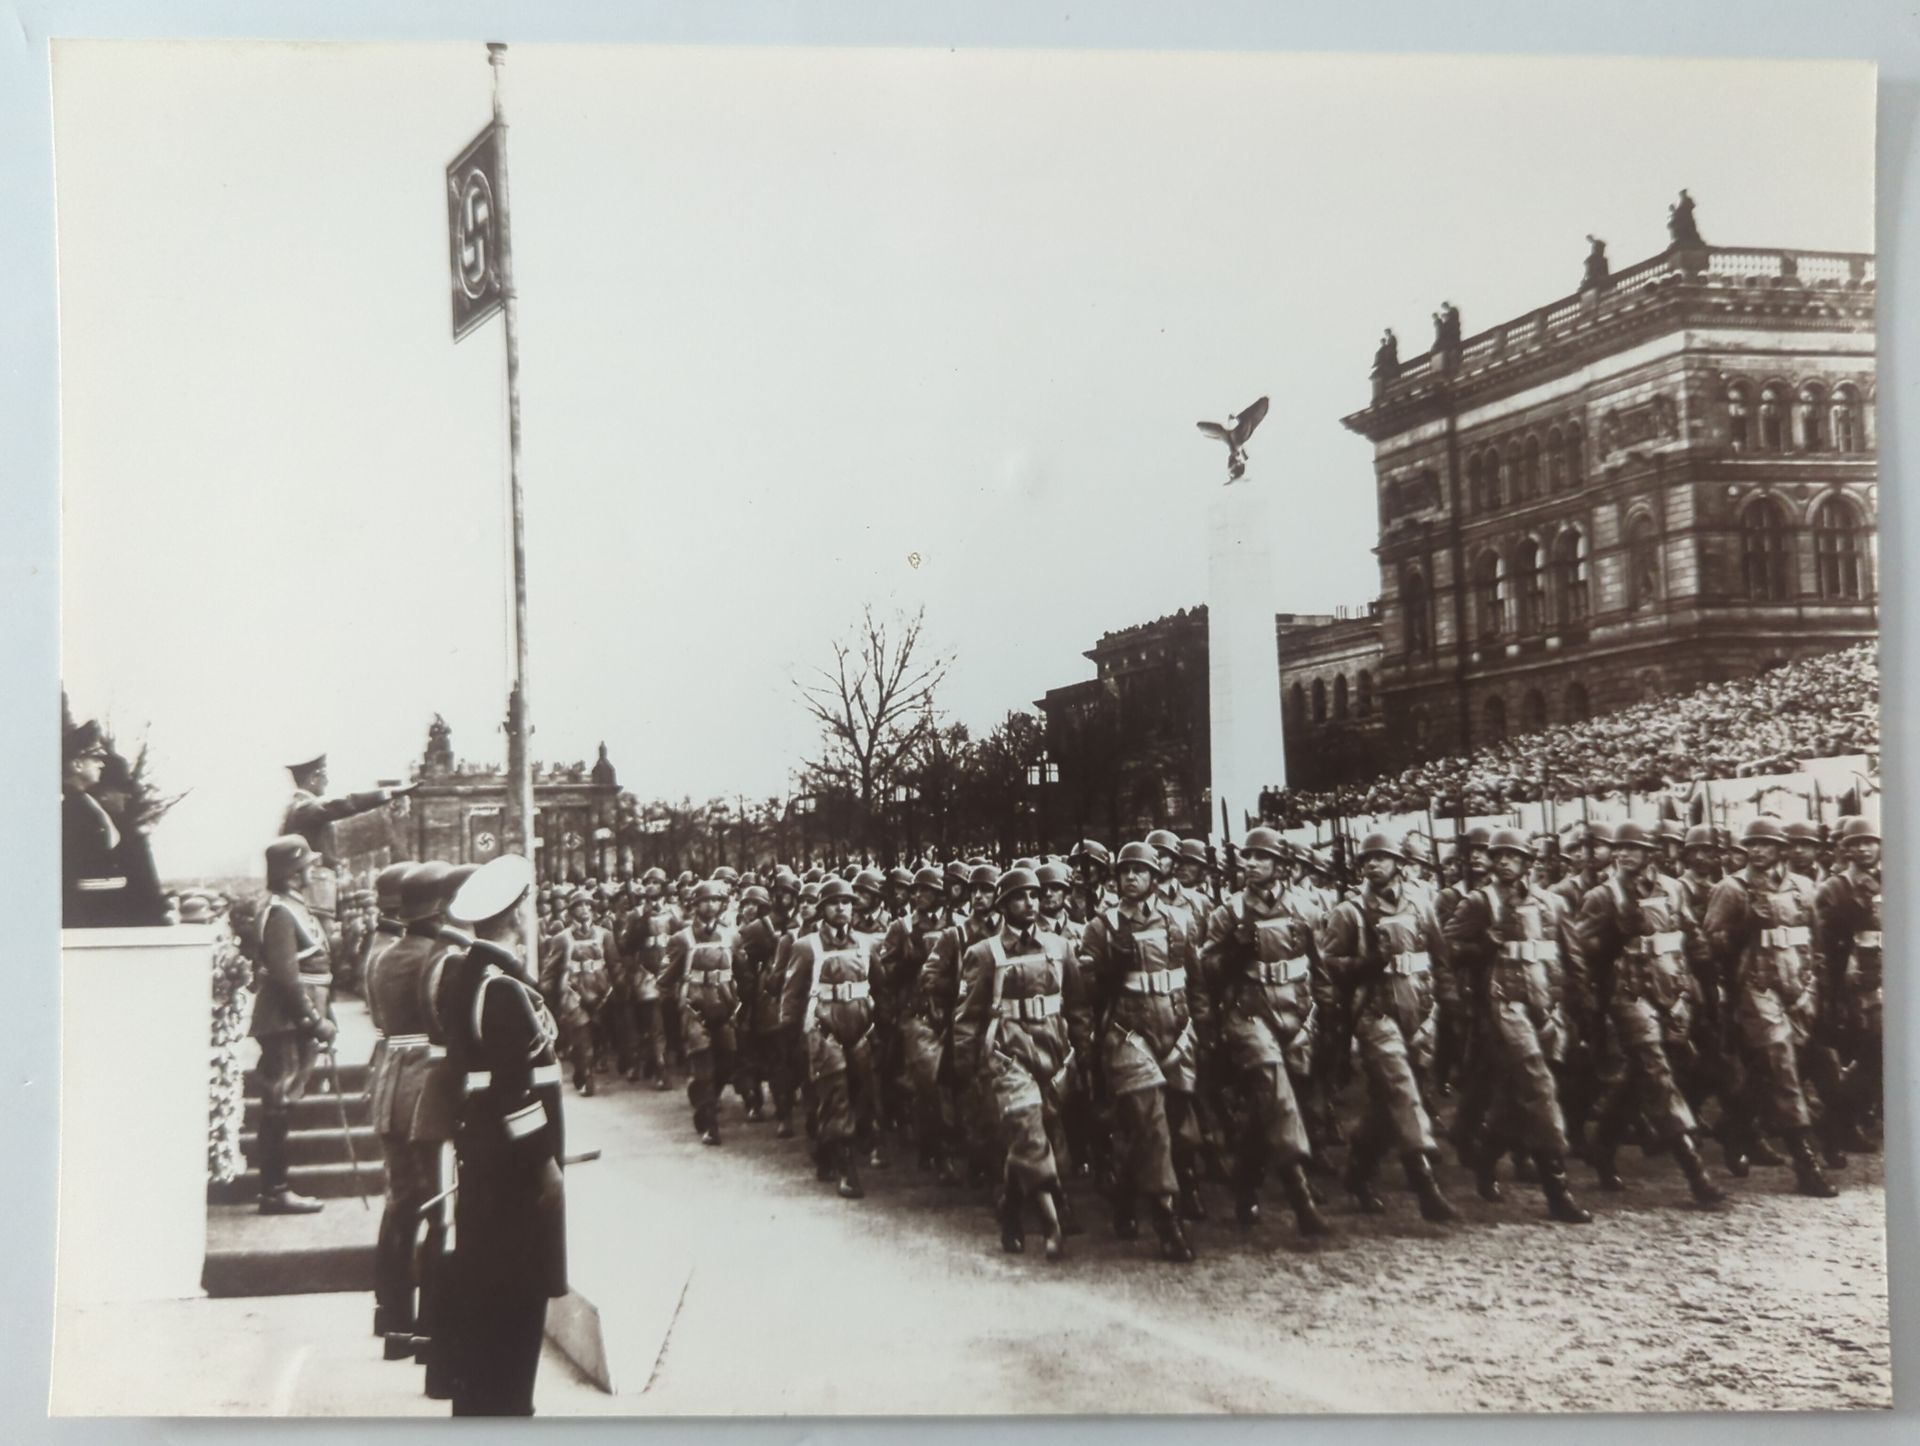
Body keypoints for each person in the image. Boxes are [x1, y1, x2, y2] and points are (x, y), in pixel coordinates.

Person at [438, 854, 566, 1417]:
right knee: (519, 1289)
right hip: (514, 1163)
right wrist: (544, 1162)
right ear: (515, 911)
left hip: (484, 1151)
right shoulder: (503, 989)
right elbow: (518, 1091)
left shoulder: (467, 974)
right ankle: (511, 1408)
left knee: (486, 1280)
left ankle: (483, 1403)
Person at [1571, 823, 1727, 1205]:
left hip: (1673, 992)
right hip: (1629, 994)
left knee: (1641, 1076)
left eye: (1633, 849)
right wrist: (1613, 938)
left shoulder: (1673, 889)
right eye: (1619, 849)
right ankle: (1694, 1170)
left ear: (1649, 854)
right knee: (1655, 1071)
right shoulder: (1602, 896)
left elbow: (1692, 937)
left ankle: (1603, 1146)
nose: (1623, 854)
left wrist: (1708, 986)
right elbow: (1579, 946)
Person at [1442, 828, 1592, 1224]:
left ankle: (1487, 1155)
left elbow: (1570, 954)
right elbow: (1445, 949)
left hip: (1547, 1006)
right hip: (1503, 1009)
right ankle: (1557, 1190)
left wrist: (1580, 1005)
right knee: (1540, 1089)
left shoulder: (1552, 903)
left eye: (1513, 856)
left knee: (1515, 1096)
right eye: (1499, 855)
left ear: (1528, 862)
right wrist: (1482, 946)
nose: (1505, 861)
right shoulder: (1479, 902)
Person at [1315, 832, 1457, 1223]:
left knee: (1385, 1104)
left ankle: (1358, 1172)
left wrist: (1447, 1003)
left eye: (1381, 857)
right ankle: (1425, 1184)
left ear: (1399, 863)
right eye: (1367, 860)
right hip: (1376, 1014)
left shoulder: (1421, 902)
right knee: (1402, 1088)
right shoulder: (1351, 911)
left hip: (1420, 1011)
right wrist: (1363, 964)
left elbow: (1439, 958)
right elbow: (1326, 965)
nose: (1373, 865)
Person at [952, 868, 1090, 1260]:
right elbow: (967, 1016)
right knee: (1028, 1127)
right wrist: (966, 1065)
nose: (1029, 903)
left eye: (1034, 895)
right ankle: (1051, 1224)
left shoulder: (1061, 948)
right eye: (1019, 897)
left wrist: (1083, 1049)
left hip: (1054, 1051)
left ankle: (1010, 1208)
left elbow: (1076, 1004)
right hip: (1008, 1056)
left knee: (1044, 1135)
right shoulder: (984, 953)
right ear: (1003, 906)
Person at [1199, 827, 1331, 1235]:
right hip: (1249, 1015)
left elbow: (1318, 965)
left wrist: (1327, 1012)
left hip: (1297, 1014)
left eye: (1261, 857)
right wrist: (1232, 954)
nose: (1252, 864)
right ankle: (1301, 1196)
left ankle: (1245, 1181)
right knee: (1276, 1093)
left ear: (1280, 865)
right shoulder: (1229, 912)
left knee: (1265, 1109)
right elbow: (1205, 970)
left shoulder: (1305, 908)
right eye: (1248, 857)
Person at [1704, 817, 1842, 1196]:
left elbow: (1816, 942)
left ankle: (1735, 1128)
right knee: (1781, 1067)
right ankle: (1806, 1164)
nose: (1758, 850)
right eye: (1753, 844)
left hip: (1798, 987)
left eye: (1766, 843)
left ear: (1781, 848)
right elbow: (1710, 943)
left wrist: (1817, 988)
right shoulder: (1731, 888)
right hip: (1756, 988)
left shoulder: (1804, 887)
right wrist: (1746, 925)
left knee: (1772, 1073)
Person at [1081, 841, 1203, 1262]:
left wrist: (1203, 1027)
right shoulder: (1102, 926)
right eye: (1124, 870)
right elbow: (1083, 992)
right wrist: (1104, 972)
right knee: (1152, 1122)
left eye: (1139, 870)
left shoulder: (1182, 921)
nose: (1130, 877)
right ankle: (1167, 1219)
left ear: (1155, 877)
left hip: (1177, 1030)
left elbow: (1195, 980)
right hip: (1128, 1033)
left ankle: (1123, 1194)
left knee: (1177, 1129)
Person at [247, 836, 340, 1215]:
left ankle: (276, 1188)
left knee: (284, 1104)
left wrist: (324, 1015)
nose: (312, 872)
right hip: (284, 1021)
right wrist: (314, 1020)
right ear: (292, 872)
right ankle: (274, 1190)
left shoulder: (293, 907)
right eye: (306, 867)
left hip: (296, 1019)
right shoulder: (280, 912)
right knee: (278, 1104)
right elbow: (287, 978)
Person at [781, 877, 883, 1198]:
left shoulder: (867, 944)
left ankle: (826, 1150)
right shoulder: (806, 946)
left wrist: (882, 1023)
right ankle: (846, 1170)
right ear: (822, 908)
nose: (842, 908)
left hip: (862, 1032)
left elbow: (880, 986)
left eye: (848, 902)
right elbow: (792, 996)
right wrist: (791, 1036)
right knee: (836, 1096)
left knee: (862, 1097)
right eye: (835, 902)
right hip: (825, 1032)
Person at [281, 752, 415, 988]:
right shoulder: (304, 808)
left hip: (315, 888)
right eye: (324, 777)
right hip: (315, 889)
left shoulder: (299, 808)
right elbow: (344, 805)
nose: (327, 782)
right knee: (317, 950)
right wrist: (387, 794)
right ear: (313, 778)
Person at [359, 861, 421, 1355]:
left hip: (393, 1070)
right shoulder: (398, 950)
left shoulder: (383, 944)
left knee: (402, 1196)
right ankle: (400, 1316)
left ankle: (391, 1311)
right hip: (410, 1075)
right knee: (410, 1196)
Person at [1813, 816, 1882, 1152]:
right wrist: (1832, 991)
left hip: (1884, 977)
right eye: (1856, 843)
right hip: (1851, 983)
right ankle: (1836, 1121)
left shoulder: (1889, 880)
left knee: (1876, 1054)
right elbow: (1823, 943)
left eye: (1869, 841)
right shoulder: (1833, 888)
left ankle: (1842, 1120)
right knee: (1871, 1051)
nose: (1864, 848)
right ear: (1845, 849)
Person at [662, 880, 741, 1146]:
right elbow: (665, 979)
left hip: (725, 1008)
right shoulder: (681, 939)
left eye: (716, 900)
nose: (710, 905)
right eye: (705, 901)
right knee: (703, 1066)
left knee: (728, 1061)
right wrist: (677, 1010)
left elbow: (743, 973)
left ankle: (709, 1098)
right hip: (695, 1010)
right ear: (695, 906)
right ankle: (708, 1121)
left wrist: (739, 1003)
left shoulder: (732, 936)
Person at [541, 888, 617, 1096]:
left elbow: (614, 965)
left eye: (588, 905)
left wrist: (617, 989)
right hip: (573, 993)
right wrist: (546, 991)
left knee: (598, 1036)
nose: (584, 909)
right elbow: (549, 970)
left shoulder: (605, 935)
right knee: (582, 1038)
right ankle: (586, 1075)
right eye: (579, 906)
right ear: (571, 911)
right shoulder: (561, 939)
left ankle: (584, 1068)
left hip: (601, 993)